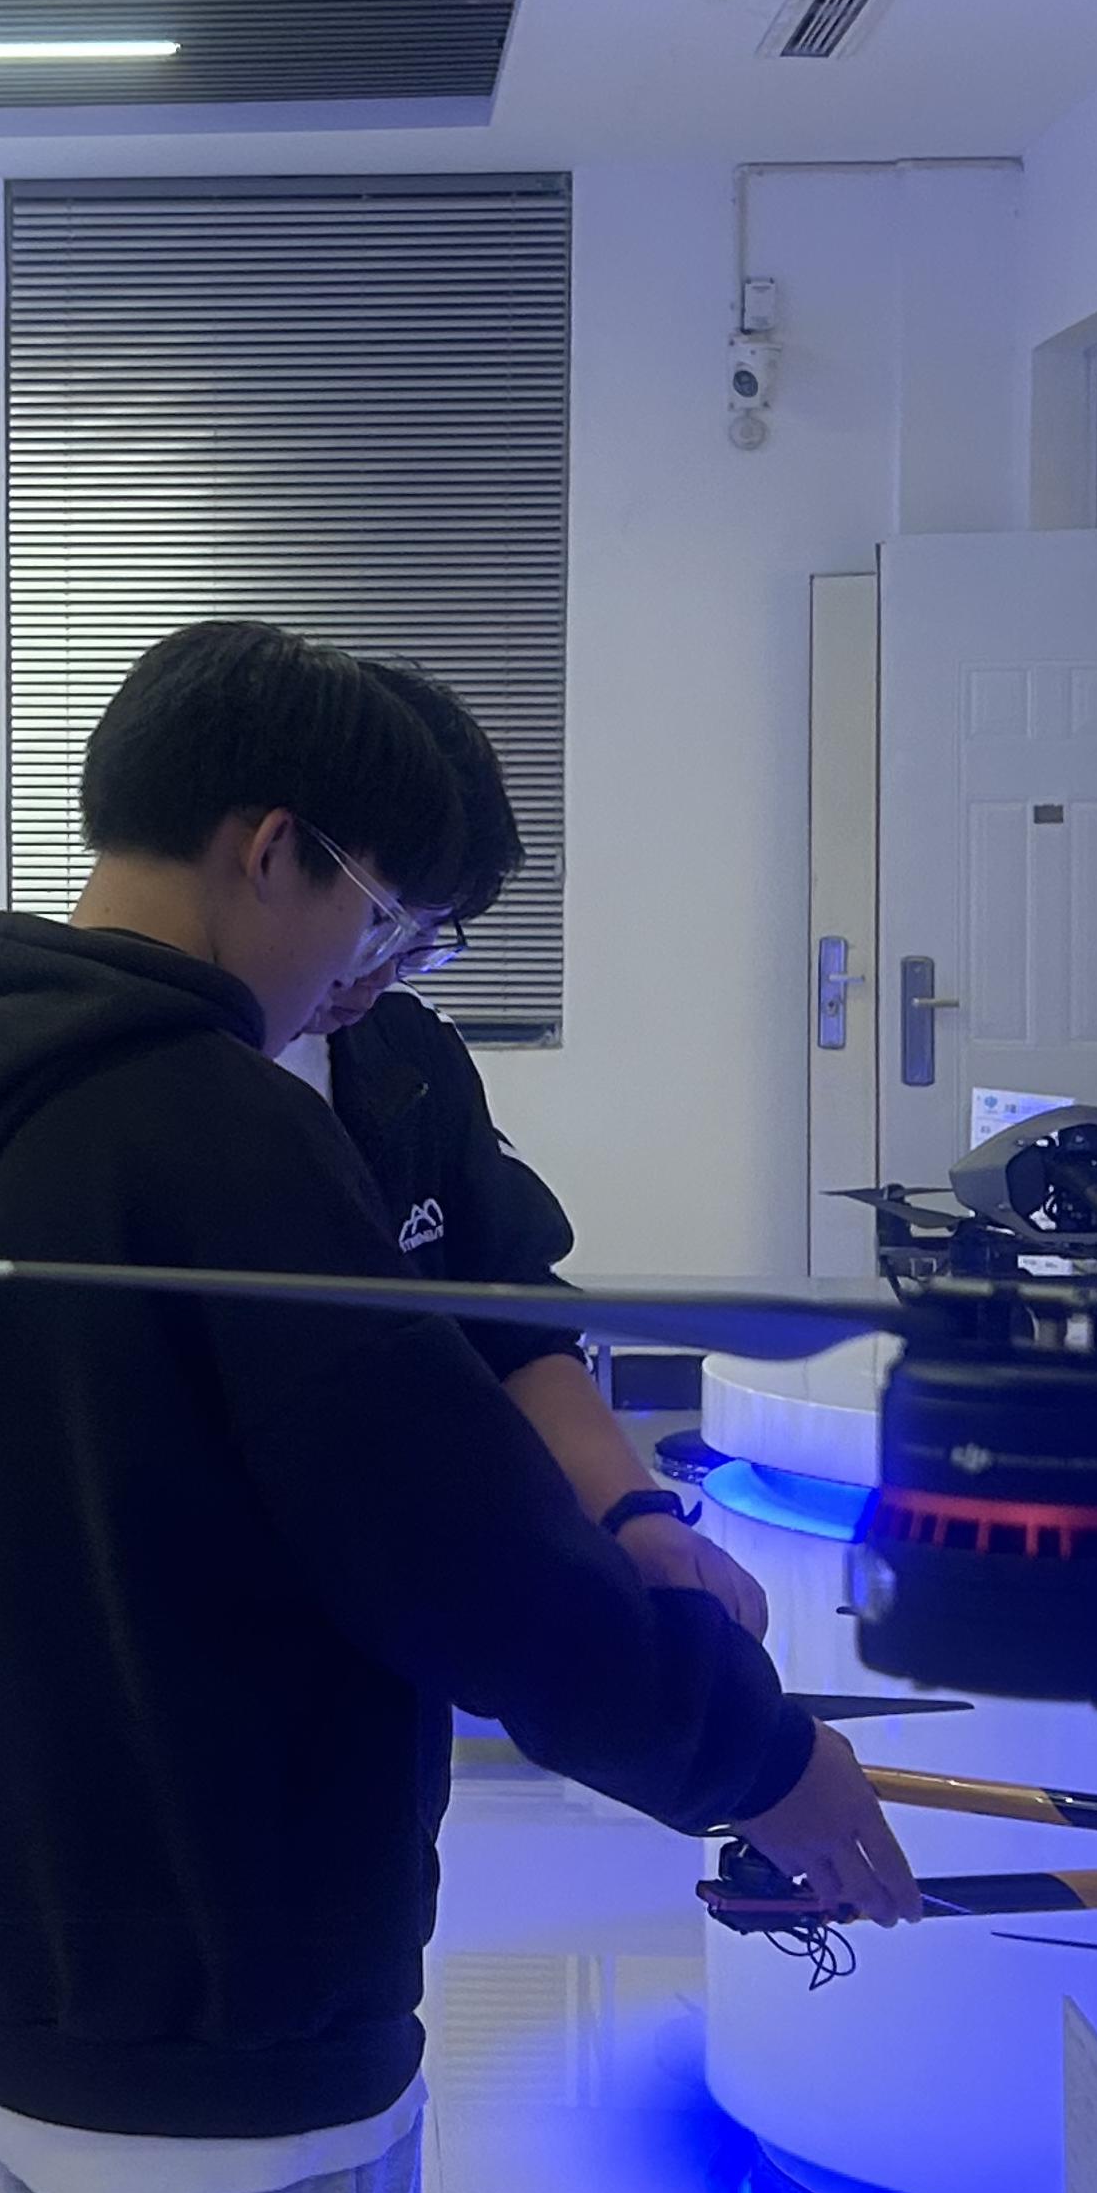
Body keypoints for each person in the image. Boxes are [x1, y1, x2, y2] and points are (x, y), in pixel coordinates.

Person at [0, 622, 919, 2193]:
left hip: (16, 1966)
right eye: (379, 916)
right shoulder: (221, 1128)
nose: (365, 973)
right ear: (274, 850)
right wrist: (757, 1755)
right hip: (231, 1995)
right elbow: (463, 1555)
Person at [283, 665, 771, 1639]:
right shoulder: (166, 1094)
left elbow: (514, 1317)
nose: (378, 977)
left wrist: (636, 1517)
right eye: (380, 925)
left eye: (419, 944)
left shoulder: (411, 1064)